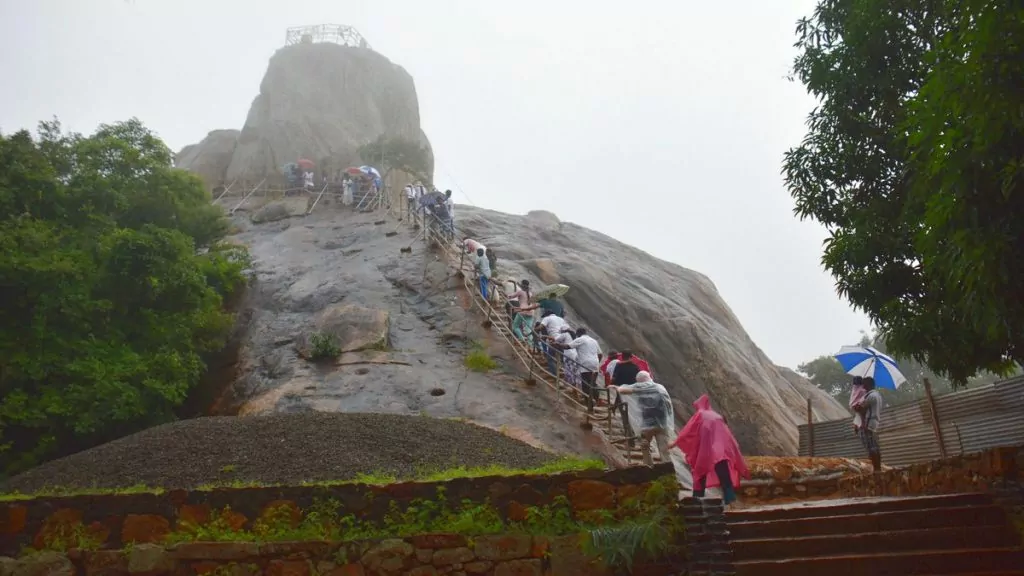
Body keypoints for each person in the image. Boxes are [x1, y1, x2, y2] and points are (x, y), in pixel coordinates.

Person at [673, 394, 749, 506]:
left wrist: (675, 442)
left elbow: (688, 431)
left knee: (700, 473)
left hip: (706, 450)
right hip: (721, 451)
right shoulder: (717, 416)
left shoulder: (700, 415)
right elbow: (727, 434)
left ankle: (698, 499)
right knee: (724, 475)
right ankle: (730, 500)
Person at [611, 371, 674, 467]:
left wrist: (617, 388)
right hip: (663, 423)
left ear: (639, 381)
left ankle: (649, 467)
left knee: (645, 446)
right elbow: (669, 404)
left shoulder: (642, 387)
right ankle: (668, 471)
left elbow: (625, 390)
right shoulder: (660, 387)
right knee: (664, 450)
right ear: (649, 377)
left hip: (648, 424)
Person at [853, 376, 883, 472]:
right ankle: (877, 468)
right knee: (874, 446)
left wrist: (857, 407)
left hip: (868, 424)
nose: (863, 385)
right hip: (874, 423)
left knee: (871, 447)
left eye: (864, 383)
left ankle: (876, 469)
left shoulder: (870, 396)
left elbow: (862, 409)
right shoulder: (877, 395)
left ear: (869, 384)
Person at [569, 328, 602, 403]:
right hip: (595, 364)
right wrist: (597, 363)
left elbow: (568, 346)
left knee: (585, 384)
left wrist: (557, 344)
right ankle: (596, 400)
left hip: (585, 364)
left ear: (578, 334)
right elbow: (600, 354)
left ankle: (588, 402)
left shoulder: (580, 339)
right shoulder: (594, 340)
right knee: (592, 383)